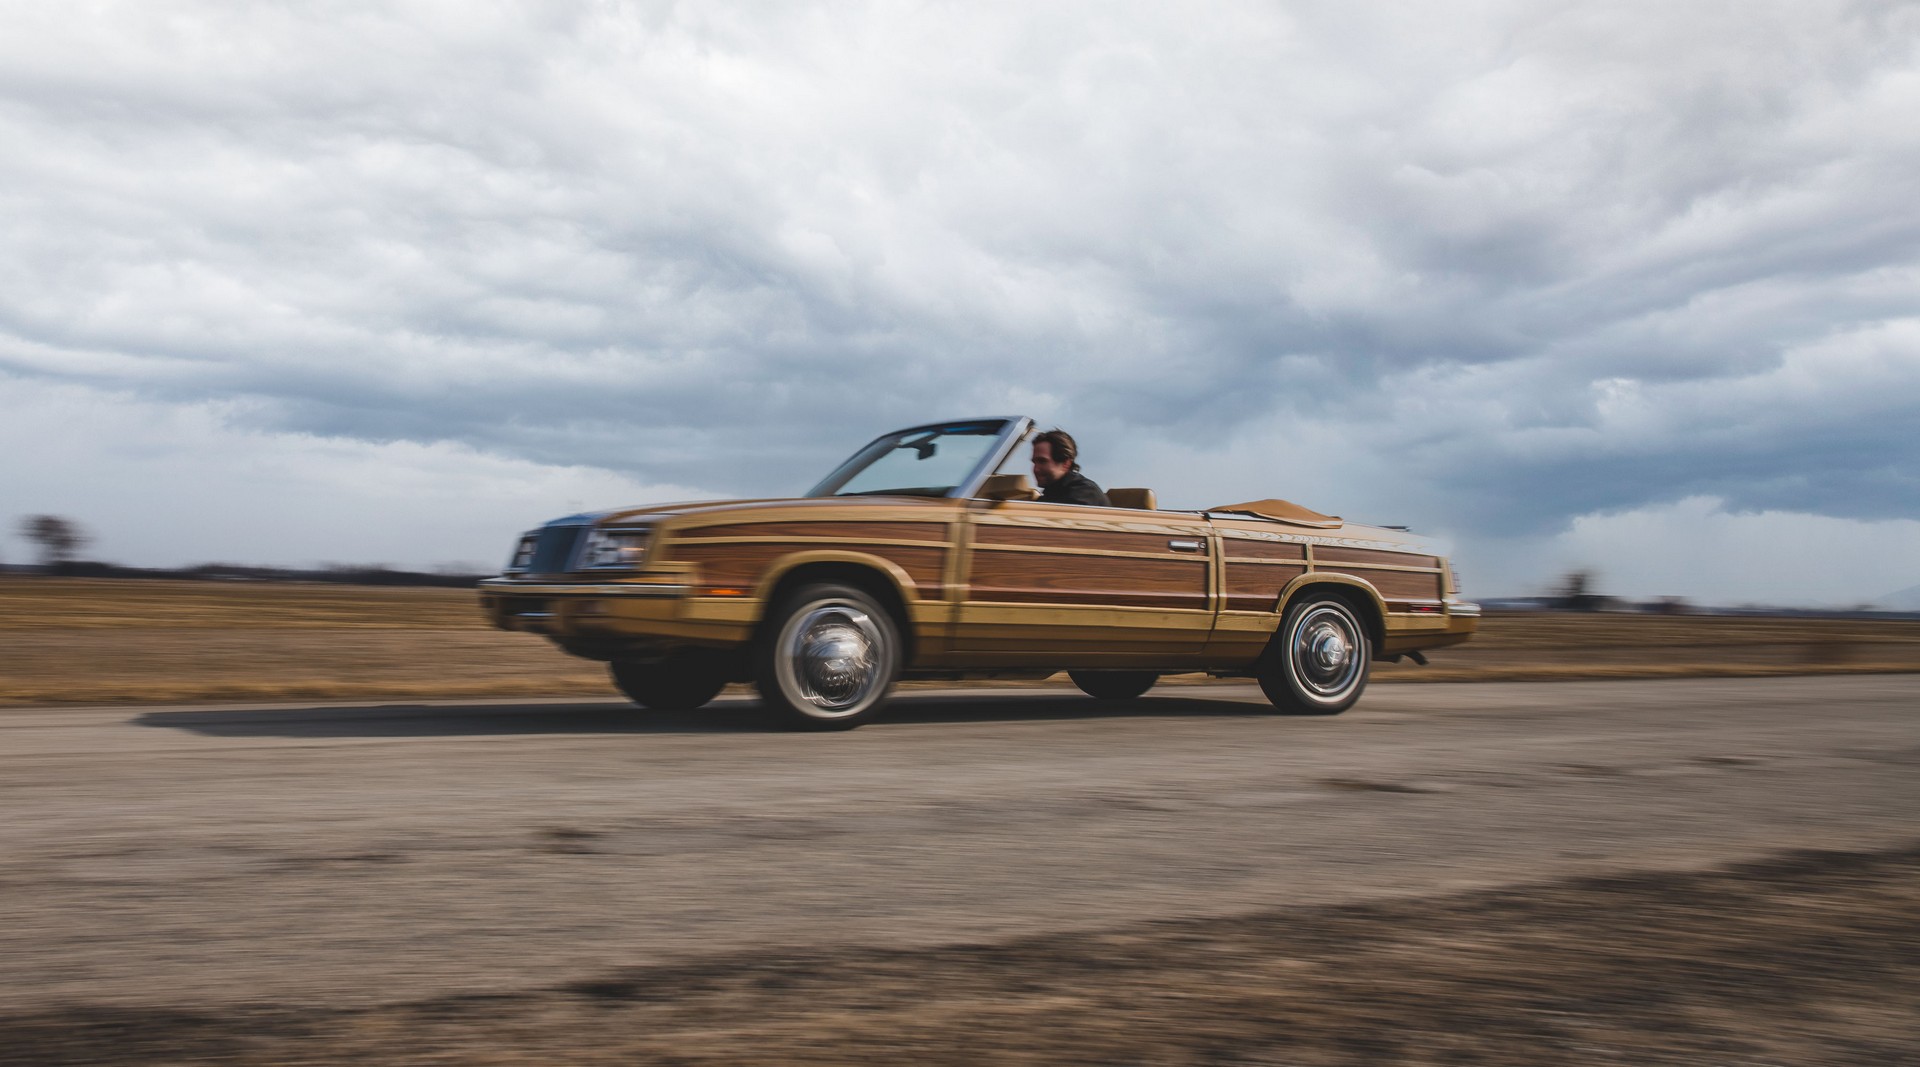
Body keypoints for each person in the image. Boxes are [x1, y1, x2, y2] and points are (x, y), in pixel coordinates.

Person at [1030, 428, 1109, 507]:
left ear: (1066, 463)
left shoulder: (1084, 493)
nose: (1035, 469)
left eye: (1042, 461)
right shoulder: (1051, 493)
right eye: (1034, 462)